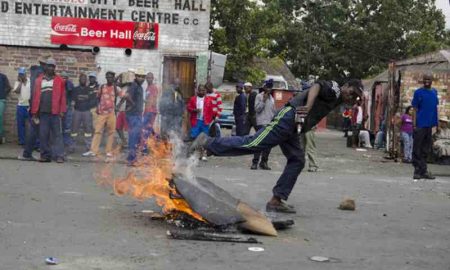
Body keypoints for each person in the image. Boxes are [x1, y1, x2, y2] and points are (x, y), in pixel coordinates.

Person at [190, 79, 363, 213]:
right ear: (346, 86)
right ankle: (208, 143)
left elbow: (350, 100)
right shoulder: (335, 88)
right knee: (254, 143)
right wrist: (307, 107)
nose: (351, 97)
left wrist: (357, 100)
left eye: (355, 96)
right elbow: (317, 85)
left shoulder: (339, 99)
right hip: (289, 118)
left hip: (295, 127)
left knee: (297, 160)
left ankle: (277, 200)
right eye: (352, 92)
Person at [30, 58, 66, 163]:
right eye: (49, 66)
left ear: (55, 68)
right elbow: (35, 96)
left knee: (57, 135)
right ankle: (45, 156)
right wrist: (34, 112)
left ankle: (59, 156)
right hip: (43, 113)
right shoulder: (39, 80)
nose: (50, 68)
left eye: (53, 66)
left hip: (55, 112)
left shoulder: (59, 80)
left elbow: (63, 97)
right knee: (43, 135)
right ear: (46, 67)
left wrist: (62, 110)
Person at [411, 74, 439, 180]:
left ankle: (424, 171)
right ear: (423, 81)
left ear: (432, 81)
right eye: (425, 79)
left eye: (429, 79)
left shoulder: (434, 92)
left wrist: (437, 124)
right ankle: (417, 171)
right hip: (420, 125)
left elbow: (435, 109)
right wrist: (414, 124)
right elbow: (415, 109)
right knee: (417, 148)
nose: (427, 81)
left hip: (430, 125)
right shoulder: (418, 92)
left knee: (426, 149)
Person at [19, 57, 46, 160]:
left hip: (35, 106)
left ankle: (28, 153)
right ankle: (29, 153)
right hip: (38, 107)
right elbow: (38, 93)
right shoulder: (39, 74)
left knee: (35, 130)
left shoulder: (34, 73)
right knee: (35, 130)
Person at [121, 68, 145, 166]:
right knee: (133, 137)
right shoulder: (134, 85)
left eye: (143, 77)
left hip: (137, 115)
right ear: (136, 76)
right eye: (139, 76)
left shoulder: (139, 87)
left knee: (137, 136)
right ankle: (131, 160)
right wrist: (134, 104)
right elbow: (126, 96)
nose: (142, 78)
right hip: (133, 115)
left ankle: (131, 157)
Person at [251, 81, 276, 170]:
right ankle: (255, 162)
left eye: (270, 87)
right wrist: (263, 100)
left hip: (270, 123)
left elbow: (273, 111)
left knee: (268, 144)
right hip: (261, 123)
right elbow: (257, 109)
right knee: (259, 143)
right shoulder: (259, 96)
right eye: (267, 87)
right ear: (264, 87)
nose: (269, 89)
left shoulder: (272, 98)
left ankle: (264, 162)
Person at [187, 84, 214, 160]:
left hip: (205, 122)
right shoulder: (193, 99)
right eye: (200, 90)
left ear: (205, 91)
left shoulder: (209, 100)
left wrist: (210, 120)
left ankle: (202, 154)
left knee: (204, 139)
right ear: (197, 91)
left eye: (203, 90)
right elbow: (188, 108)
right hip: (196, 121)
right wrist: (195, 110)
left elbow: (211, 111)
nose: (202, 92)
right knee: (194, 137)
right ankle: (192, 154)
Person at [70, 73, 94, 153]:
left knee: (88, 130)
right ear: (79, 80)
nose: (83, 80)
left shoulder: (89, 90)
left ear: (86, 81)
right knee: (74, 130)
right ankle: (72, 146)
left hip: (87, 111)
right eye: (82, 79)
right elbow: (73, 100)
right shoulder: (75, 89)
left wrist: (82, 99)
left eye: (84, 79)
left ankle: (88, 146)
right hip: (77, 111)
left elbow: (92, 100)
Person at [13, 67, 30, 145]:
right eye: (20, 74)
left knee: (31, 125)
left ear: (25, 74)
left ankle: (31, 141)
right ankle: (22, 141)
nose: (21, 75)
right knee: (20, 125)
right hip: (21, 106)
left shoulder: (30, 81)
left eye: (22, 74)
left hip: (29, 106)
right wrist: (20, 82)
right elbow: (17, 91)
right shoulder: (17, 82)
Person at [142, 72, 159, 144]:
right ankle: (157, 138)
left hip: (150, 111)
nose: (149, 79)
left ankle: (144, 148)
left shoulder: (153, 87)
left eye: (150, 78)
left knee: (145, 129)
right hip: (147, 110)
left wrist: (149, 112)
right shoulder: (148, 87)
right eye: (148, 78)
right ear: (146, 79)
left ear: (153, 78)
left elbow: (153, 100)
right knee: (148, 127)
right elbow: (148, 100)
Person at [61, 71, 74, 151]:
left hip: (68, 108)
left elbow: (71, 92)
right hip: (60, 109)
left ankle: (68, 144)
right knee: (60, 126)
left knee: (68, 127)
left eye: (65, 78)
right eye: (62, 77)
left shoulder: (69, 84)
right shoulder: (58, 84)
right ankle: (61, 143)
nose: (64, 79)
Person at [0, 70, 12, 144]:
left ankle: (0, 136)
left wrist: (3, 94)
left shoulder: (3, 77)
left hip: (1, 100)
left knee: (0, 116)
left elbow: (9, 87)